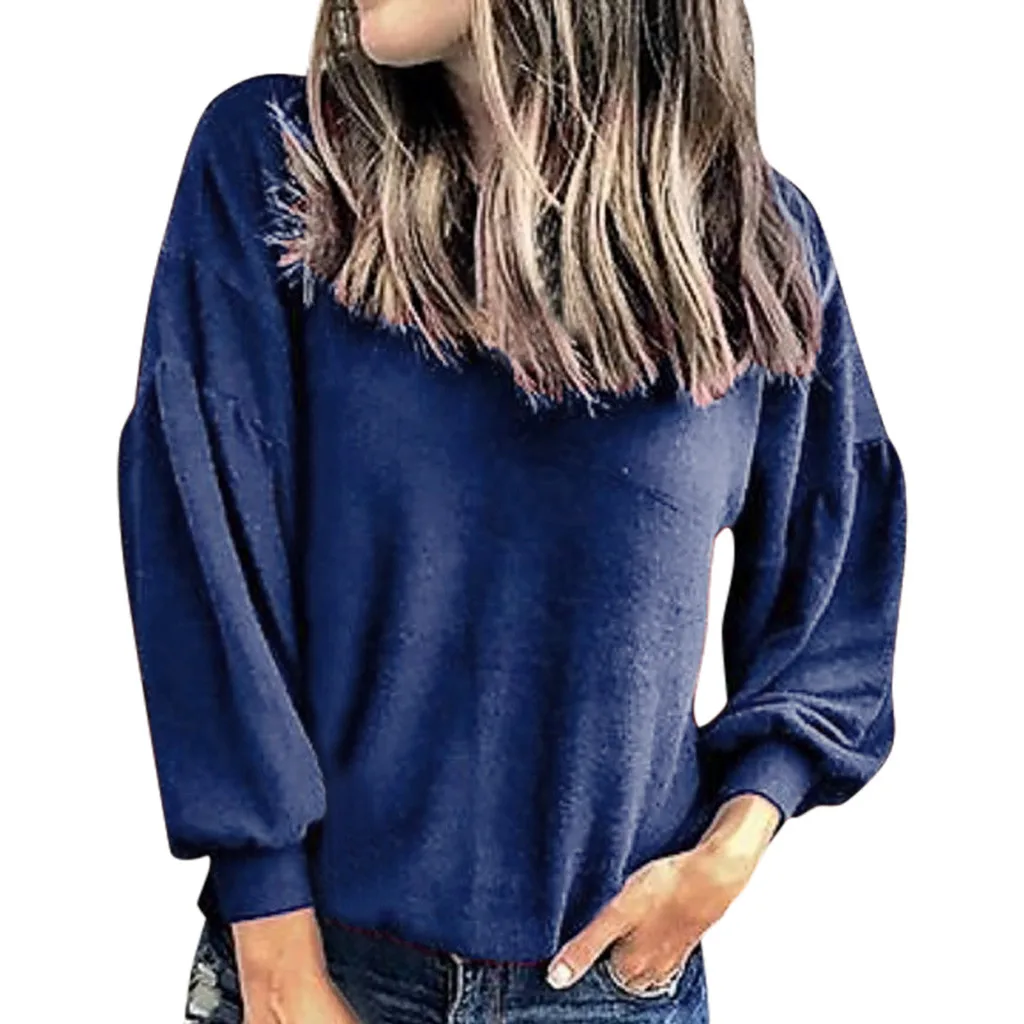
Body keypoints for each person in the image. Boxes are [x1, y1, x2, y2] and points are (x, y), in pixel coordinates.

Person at [116, 1, 908, 1022]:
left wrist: (737, 838)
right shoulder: (282, 167)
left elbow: (840, 564)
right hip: (319, 971)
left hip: (609, 989)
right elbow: (200, 531)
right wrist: (273, 946)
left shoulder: (751, 239)